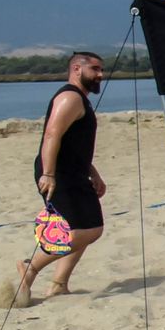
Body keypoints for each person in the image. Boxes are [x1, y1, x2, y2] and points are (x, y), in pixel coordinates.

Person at [15, 52, 107, 306]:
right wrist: (49, 173)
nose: (100, 74)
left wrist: (93, 171)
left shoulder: (81, 100)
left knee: (90, 228)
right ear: (77, 69)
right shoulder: (69, 97)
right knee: (83, 230)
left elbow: (75, 143)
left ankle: (59, 284)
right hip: (58, 173)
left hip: (75, 172)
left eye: (102, 70)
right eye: (95, 69)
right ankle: (30, 266)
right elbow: (51, 136)